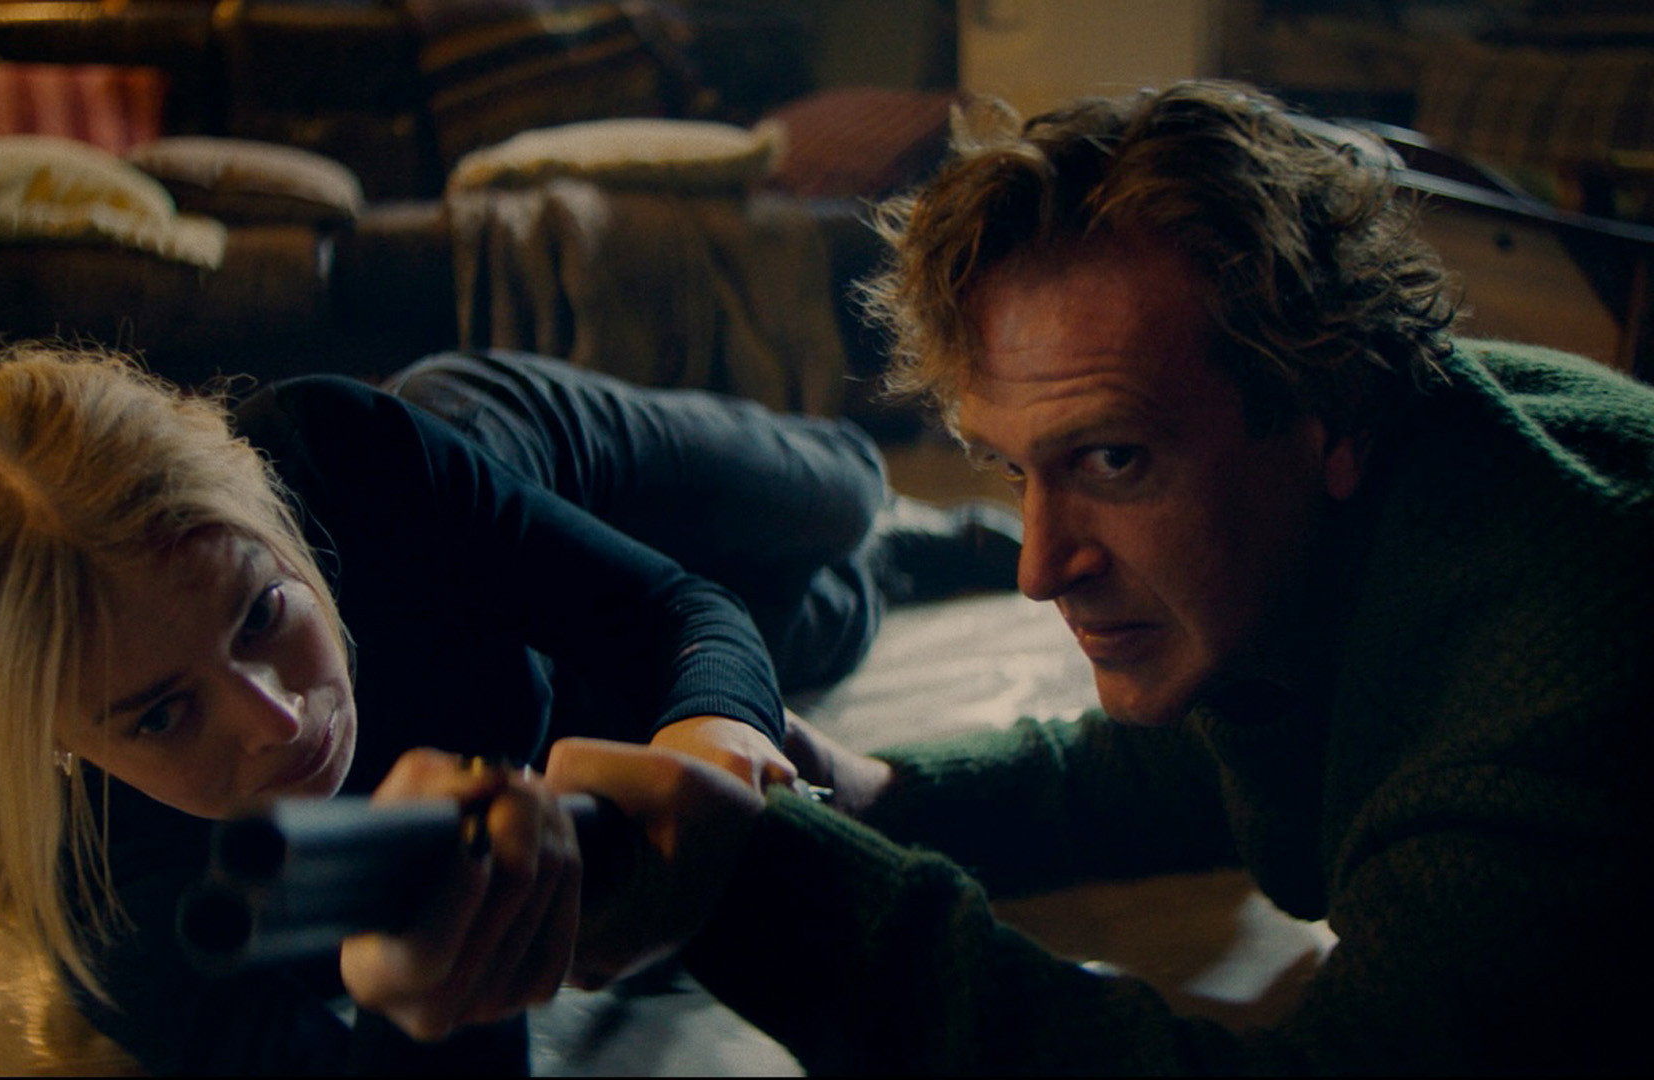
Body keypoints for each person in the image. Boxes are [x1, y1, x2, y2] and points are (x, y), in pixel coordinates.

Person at [434, 79, 1654, 1074]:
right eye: (1016, 470)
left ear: (1334, 414)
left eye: (1114, 460)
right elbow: (1204, 760)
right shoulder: (1391, 460)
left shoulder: (1551, 708)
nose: (1036, 567)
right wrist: (878, 797)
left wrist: (765, 892)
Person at [0, 344, 1022, 1075]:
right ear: (54, 742)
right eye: (159, 716)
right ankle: (900, 566)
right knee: (823, 620)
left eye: (262, 614)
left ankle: (886, 529)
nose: (274, 720)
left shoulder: (346, 455)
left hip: (509, 448)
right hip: (557, 683)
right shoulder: (122, 919)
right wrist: (433, 1006)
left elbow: (672, 610)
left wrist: (715, 743)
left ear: (270, 516)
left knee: (838, 493)